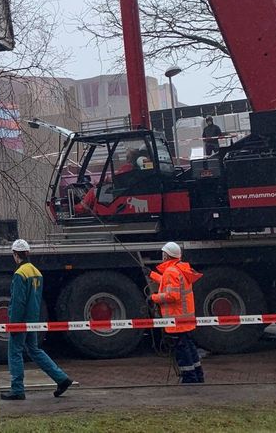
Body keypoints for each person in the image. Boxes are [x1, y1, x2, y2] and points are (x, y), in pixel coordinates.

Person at [2, 239, 74, 400]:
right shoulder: (36, 272)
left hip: (20, 321)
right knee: (34, 350)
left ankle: (17, 389)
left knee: (14, 352)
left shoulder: (20, 274)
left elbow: (18, 301)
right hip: (33, 319)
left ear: (15, 254)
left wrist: (13, 324)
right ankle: (61, 378)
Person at [150, 242, 205, 383]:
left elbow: (172, 296)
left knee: (182, 351)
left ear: (166, 255)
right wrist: (152, 275)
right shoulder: (180, 269)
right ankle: (198, 375)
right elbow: (169, 283)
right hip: (185, 318)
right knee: (189, 347)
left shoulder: (170, 272)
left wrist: (154, 298)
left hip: (176, 318)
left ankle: (189, 379)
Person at [73, 148, 142, 215]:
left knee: (93, 191)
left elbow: (114, 178)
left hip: (118, 194)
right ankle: (92, 211)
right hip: (123, 192)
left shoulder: (127, 168)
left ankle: (78, 209)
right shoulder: (135, 169)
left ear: (128, 159)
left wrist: (100, 182)